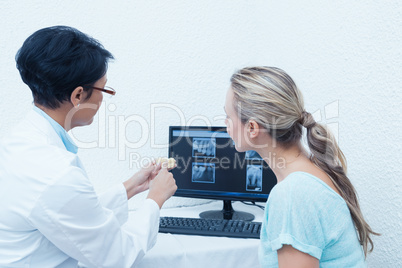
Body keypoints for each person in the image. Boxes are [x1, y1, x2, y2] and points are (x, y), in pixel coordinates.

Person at [0, 26, 177, 267]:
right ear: (78, 95)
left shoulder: (21, 141)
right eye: (104, 89)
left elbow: (68, 216)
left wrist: (131, 187)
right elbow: (117, 256)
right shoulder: (55, 172)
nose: (104, 99)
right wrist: (155, 199)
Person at [223, 66, 379, 267]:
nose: (226, 124)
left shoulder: (293, 194)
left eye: (228, 116)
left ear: (252, 128)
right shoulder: (311, 169)